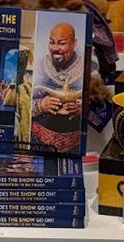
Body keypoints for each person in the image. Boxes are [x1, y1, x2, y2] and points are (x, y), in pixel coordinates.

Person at [30, 21, 84, 153]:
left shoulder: (87, 68)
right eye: (52, 42)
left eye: (62, 43)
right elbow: (22, 104)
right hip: (38, 140)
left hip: (75, 145)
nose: (55, 48)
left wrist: (81, 109)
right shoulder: (39, 67)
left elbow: (100, 109)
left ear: (74, 43)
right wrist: (41, 105)